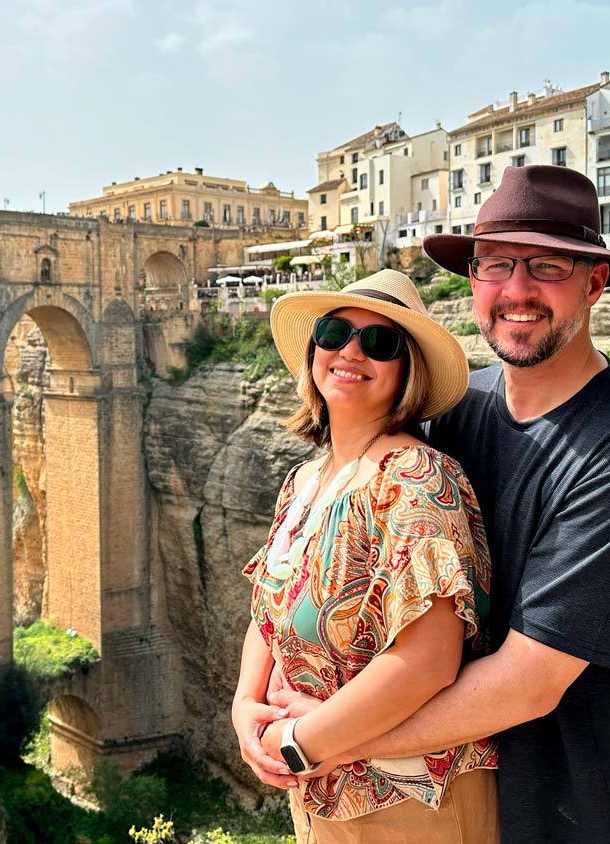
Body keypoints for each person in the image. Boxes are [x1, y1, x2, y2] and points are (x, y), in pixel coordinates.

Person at [267, 166, 610, 843]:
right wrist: (260, 700)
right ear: (471, 279)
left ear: (594, 282)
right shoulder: (453, 412)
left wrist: (325, 741)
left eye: (546, 267)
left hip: (599, 811)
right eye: (495, 265)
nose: (516, 291)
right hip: (481, 805)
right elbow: (324, 540)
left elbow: (526, 683)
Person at [232, 269, 498, 843]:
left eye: (380, 343)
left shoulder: (415, 480)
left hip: (409, 803)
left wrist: (302, 743)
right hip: (320, 795)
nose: (351, 351)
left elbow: (428, 661)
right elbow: (270, 606)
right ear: (313, 352)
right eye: (334, 333)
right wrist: (244, 705)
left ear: (408, 372)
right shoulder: (306, 480)